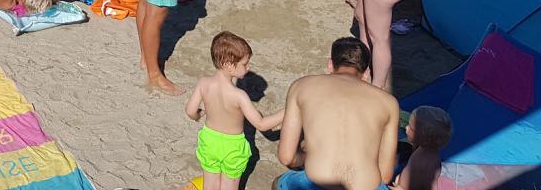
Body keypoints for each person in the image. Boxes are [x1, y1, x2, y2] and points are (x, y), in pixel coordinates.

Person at [275, 38, 400, 190]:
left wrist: (309, 156)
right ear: (366, 73)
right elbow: (385, 175)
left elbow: (286, 157)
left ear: (330, 65)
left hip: (319, 184)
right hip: (366, 186)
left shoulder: (301, 86)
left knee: (281, 183)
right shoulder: (389, 103)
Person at [186, 32, 284, 190]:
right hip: (233, 146)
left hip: (210, 140)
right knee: (229, 185)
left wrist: (199, 114)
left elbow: (190, 111)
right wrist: (288, 111)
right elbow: (261, 124)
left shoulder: (204, 83)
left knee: (210, 183)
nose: (248, 67)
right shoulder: (239, 96)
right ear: (229, 65)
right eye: (245, 64)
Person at [393, 107, 452, 190]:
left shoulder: (429, 161)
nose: (406, 127)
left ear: (425, 139)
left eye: (410, 127)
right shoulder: (423, 149)